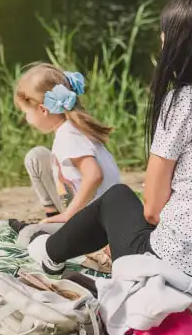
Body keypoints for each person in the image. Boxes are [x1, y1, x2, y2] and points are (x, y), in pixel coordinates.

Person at [24, 0, 192, 324]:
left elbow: (152, 208)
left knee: (118, 199)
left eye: (163, 35)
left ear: (178, 43)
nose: (161, 45)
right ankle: (57, 246)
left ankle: (50, 253)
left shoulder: (186, 100)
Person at [16, 65, 121, 223]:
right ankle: (54, 218)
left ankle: (60, 224)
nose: (27, 120)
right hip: (96, 211)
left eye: (26, 113)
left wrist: (68, 215)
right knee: (36, 157)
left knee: (30, 237)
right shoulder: (73, 128)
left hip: (96, 220)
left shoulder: (68, 135)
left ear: (43, 110)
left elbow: (94, 175)